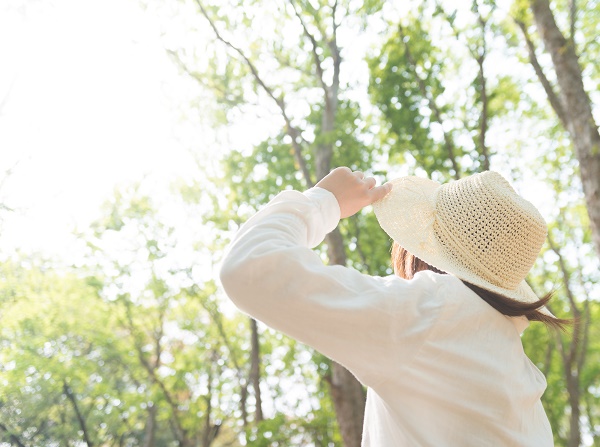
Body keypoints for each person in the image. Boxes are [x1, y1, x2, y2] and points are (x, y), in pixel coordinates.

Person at [220, 166, 567, 446]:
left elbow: (250, 267)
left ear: (421, 249)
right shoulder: (519, 376)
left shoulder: (433, 312)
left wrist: (323, 201)